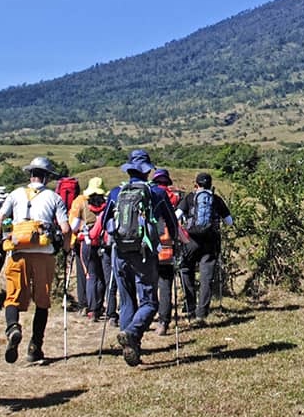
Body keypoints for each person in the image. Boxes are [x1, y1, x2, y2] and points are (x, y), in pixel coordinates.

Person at [93, 150, 181, 365]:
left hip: (120, 252)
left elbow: (104, 223)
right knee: (149, 301)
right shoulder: (156, 193)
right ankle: (132, 333)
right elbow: (171, 222)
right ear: (147, 171)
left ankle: (131, 345)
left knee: (126, 301)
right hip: (144, 252)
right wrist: (174, 243)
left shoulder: (115, 193)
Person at [0, 156, 71, 365]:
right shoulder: (53, 197)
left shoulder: (15, 194)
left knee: (12, 296)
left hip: (17, 251)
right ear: (47, 177)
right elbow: (66, 229)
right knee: (42, 301)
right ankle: (35, 347)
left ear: (30, 175)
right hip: (44, 252)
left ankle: (13, 327)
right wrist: (67, 249)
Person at [176, 172, 233, 328]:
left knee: (186, 269)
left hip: (190, 241)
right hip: (211, 242)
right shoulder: (216, 200)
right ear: (210, 184)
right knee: (206, 277)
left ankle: (190, 306)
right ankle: (202, 312)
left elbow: (176, 217)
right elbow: (229, 222)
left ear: (196, 185)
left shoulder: (189, 198)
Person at [151, 169, 184, 336]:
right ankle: (163, 322)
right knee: (165, 285)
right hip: (167, 246)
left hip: (149, 247)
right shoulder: (174, 197)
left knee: (149, 283)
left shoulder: (148, 195)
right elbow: (174, 222)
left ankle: (147, 315)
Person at [73, 177, 111, 321]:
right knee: (102, 277)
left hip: (87, 243)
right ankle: (100, 306)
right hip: (104, 243)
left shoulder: (83, 204)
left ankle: (92, 310)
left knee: (91, 276)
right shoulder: (107, 205)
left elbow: (74, 227)